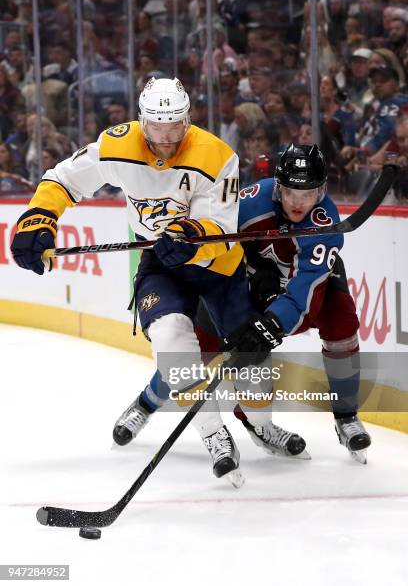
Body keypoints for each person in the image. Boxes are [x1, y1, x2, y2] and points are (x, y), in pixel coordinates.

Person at [9, 77, 306, 486]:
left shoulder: (217, 156)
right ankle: (214, 434)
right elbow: (63, 178)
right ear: (142, 120)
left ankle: (261, 424)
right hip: (161, 266)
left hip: (218, 268)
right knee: (170, 342)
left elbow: (220, 225)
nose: (166, 138)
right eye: (156, 127)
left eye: (175, 126)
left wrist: (189, 238)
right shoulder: (117, 145)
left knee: (253, 368)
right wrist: (39, 218)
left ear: (187, 119)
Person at [224, 143, 372, 464]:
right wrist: (250, 272)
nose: (297, 202)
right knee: (243, 341)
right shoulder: (250, 203)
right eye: (290, 192)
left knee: (342, 322)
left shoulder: (325, 223)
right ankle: (255, 421)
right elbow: (219, 245)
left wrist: (274, 322)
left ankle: (346, 416)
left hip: (308, 283)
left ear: (320, 192)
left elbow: (302, 298)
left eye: (307, 194)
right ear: (278, 186)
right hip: (257, 281)